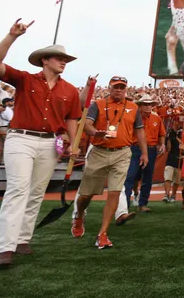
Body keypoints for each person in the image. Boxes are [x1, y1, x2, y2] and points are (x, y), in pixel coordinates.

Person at [0, 19, 82, 268]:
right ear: (45, 60)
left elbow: (72, 118)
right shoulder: (25, 79)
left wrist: (73, 142)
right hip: (21, 138)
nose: (64, 62)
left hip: (50, 143)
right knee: (18, 189)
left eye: (65, 60)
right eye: (59, 58)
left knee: (37, 192)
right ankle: (5, 247)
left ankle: (22, 240)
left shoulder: (70, 90)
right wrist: (12, 36)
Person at [72, 76, 149, 249]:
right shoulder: (98, 104)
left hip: (122, 153)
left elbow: (140, 131)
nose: (119, 90)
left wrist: (144, 153)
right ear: (109, 87)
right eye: (116, 87)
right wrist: (96, 133)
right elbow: (87, 124)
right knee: (86, 194)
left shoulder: (133, 107)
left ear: (126, 89)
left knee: (114, 193)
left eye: (122, 87)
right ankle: (80, 214)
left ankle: (103, 234)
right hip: (99, 151)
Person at [123, 94, 166, 212]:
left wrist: (161, 144)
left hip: (151, 149)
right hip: (134, 148)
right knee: (130, 177)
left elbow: (161, 134)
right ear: (140, 106)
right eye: (145, 105)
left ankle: (142, 204)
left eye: (150, 105)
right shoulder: (133, 117)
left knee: (148, 177)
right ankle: (124, 206)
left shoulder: (157, 119)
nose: (148, 107)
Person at [163, 127, 183, 203]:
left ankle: (173, 195)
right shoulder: (172, 138)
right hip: (170, 161)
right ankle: (166, 194)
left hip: (179, 163)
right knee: (168, 178)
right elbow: (168, 149)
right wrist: (168, 139)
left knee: (176, 181)